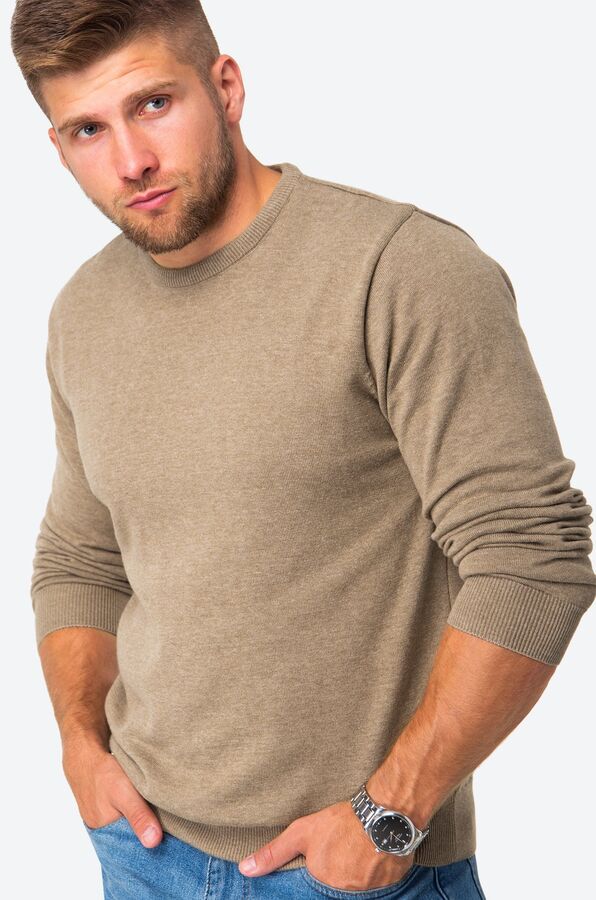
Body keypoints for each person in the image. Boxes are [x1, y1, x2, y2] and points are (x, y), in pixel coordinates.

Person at [11, 2, 595, 898]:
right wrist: (82, 749)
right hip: (141, 853)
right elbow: (81, 556)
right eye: (89, 129)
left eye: (153, 104)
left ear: (226, 87)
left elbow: (532, 556)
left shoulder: (398, 270)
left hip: (356, 870)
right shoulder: (83, 312)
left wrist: (392, 813)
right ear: (57, 148)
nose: (130, 161)